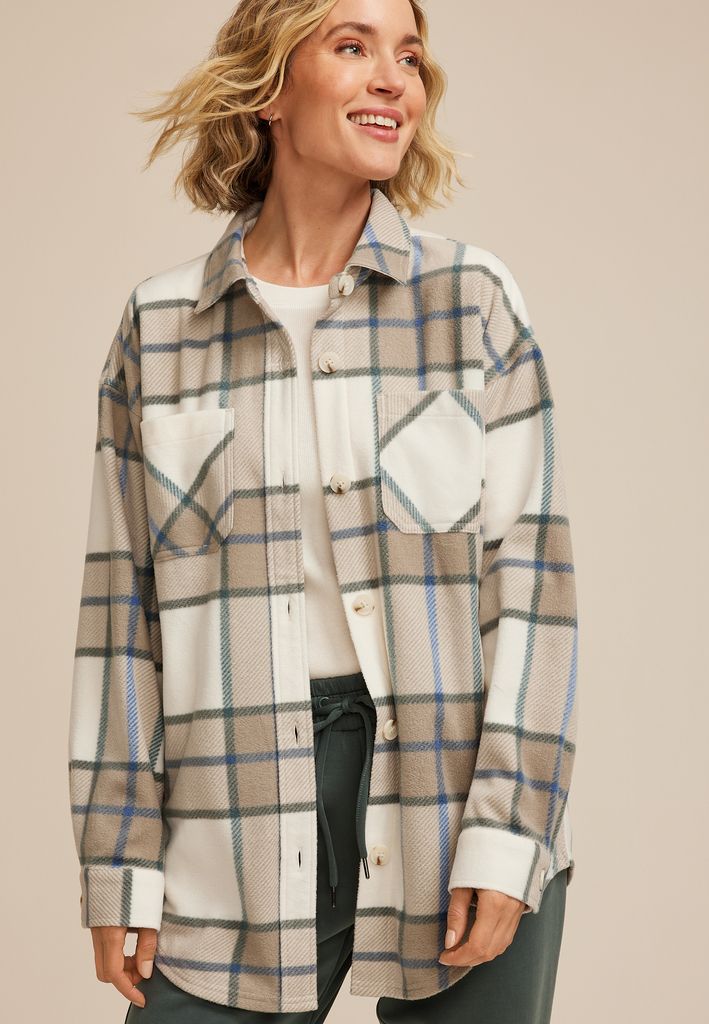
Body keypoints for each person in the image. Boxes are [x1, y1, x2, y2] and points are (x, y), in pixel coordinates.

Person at [67, 0, 579, 1021]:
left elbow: (531, 592)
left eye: (410, 57)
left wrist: (508, 830)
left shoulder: (471, 302)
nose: (394, 79)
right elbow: (122, 616)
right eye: (353, 47)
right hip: (231, 812)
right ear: (269, 88)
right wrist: (117, 855)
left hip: (450, 803)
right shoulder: (161, 328)